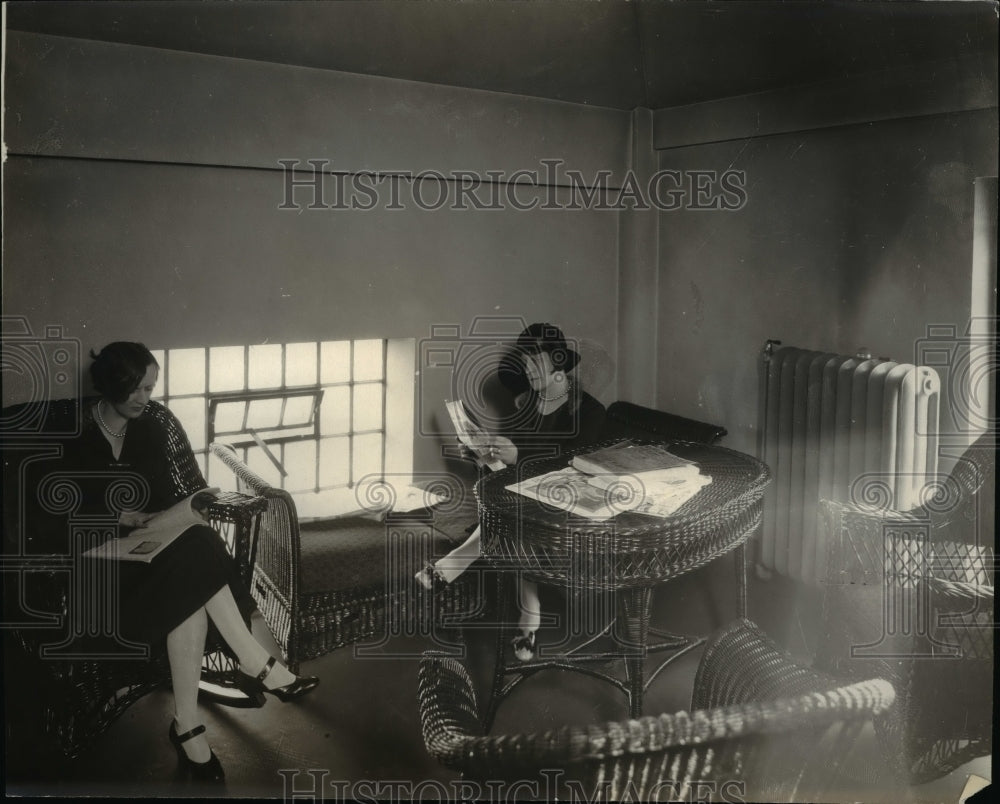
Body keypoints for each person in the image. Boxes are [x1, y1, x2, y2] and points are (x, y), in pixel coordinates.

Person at [62, 342, 319, 783]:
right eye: (140, 389)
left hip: (156, 555)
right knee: (197, 567)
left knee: (196, 545)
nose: (148, 398)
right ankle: (254, 664)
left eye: (152, 387)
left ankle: (189, 722)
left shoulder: (151, 430)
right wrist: (120, 518)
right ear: (113, 387)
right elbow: (66, 512)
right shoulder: (77, 439)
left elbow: (166, 496)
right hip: (106, 573)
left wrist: (173, 511)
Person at [415, 323, 606, 660]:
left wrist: (516, 456)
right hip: (523, 500)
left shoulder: (588, 411)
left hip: (569, 505)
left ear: (557, 363)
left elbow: (577, 469)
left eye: (535, 361)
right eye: (525, 361)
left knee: (509, 516)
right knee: (509, 510)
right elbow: (509, 464)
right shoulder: (529, 404)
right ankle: (529, 613)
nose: (527, 369)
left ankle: (453, 566)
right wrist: (481, 453)